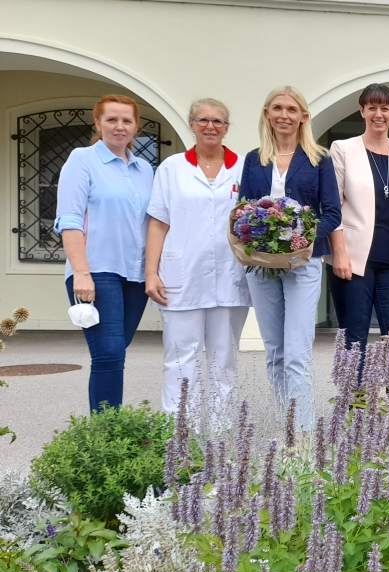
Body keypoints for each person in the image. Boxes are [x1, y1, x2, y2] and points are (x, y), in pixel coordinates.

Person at [239, 86, 341, 429]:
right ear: (267, 113)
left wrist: (302, 236)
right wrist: (256, 235)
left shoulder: (319, 159)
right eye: (277, 108)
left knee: (297, 352)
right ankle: (286, 422)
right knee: (275, 351)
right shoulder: (255, 159)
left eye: (292, 109)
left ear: (303, 117)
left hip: (303, 263)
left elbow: (332, 213)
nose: (284, 115)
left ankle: (303, 434)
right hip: (261, 265)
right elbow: (244, 209)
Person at [145, 99, 250, 414]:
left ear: (227, 128)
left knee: (224, 359)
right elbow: (158, 223)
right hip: (181, 276)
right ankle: (178, 437)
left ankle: (220, 433)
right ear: (191, 125)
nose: (210, 127)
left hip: (231, 279)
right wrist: (151, 272)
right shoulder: (172, 168)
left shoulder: (244, 167)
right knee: (179, 359)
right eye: (203, 120)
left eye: (218, 121)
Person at [54, 94, 154, 413]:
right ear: (97, 123)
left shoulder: (144, 170)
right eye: (111, 119)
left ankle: (109, 429)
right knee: (109, 353)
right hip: (97, 271)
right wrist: (81, 272)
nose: (119, 126)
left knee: (115, 353)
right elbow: (69, 219)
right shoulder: (82, 159)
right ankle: (106, 433)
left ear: (136, 126)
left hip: (135, 274)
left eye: (127, 120)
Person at [327, 84, 389, 377]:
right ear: (362, 110)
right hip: (354, 261)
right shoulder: (343, 148)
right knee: (354, 340)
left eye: (385, 108)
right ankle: (353, 413)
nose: (378, 114)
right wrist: (339, 253)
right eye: (372, 107)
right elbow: (333, 205)